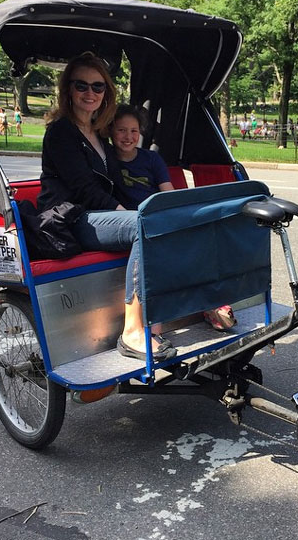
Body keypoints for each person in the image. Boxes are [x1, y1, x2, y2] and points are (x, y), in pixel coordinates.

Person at [36, 52, 176, 364]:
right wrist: (128, 213)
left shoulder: (99, 134)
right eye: (81, 86)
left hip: (96, 216)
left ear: (106, 93)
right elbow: (85, 188)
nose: (90, 93)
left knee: (165, 221)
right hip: (71, 218)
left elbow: (115, 183)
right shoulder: (61, 132)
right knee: (144, 224)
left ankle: (188, 308)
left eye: (97, 87)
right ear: (68, 89)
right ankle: (132, 330)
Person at [111, 104, 237, 333]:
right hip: (126, 222)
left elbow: (167, 192)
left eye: (133, 131)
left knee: (195, 236)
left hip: (156, 214)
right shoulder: (107, 161)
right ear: (111, 131)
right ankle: (153, 318)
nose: (128, 137)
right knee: (159, 245)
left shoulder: (151, 159)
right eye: (121, 130)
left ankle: (209, 301)